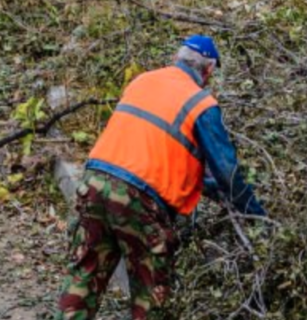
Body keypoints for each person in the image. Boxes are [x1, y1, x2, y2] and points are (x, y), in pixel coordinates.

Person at [56, 35, 265, 320]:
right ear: (209, 70)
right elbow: (226, 172)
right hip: (137, 199)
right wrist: (256, 215)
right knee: (151, 291)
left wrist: (212, 191)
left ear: (177, 59)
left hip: (92, 183)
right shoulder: (201, 103)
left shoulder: (142, 81)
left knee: (84, 275)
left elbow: (159, 152)